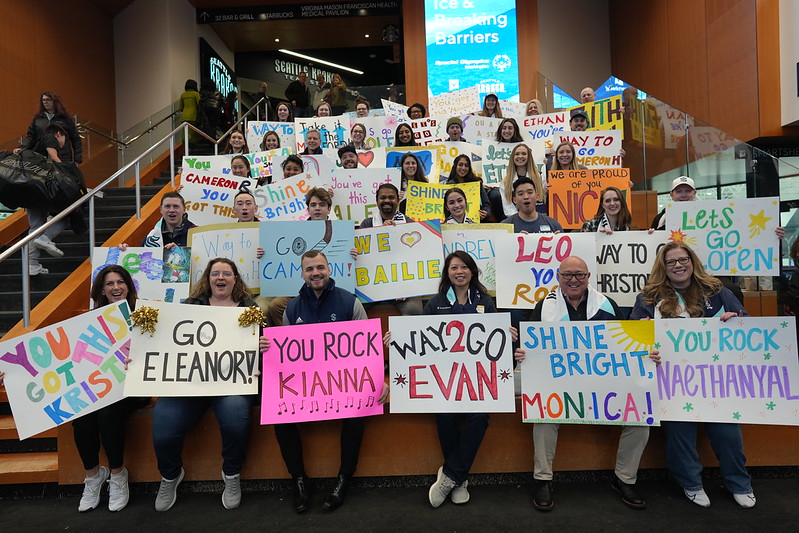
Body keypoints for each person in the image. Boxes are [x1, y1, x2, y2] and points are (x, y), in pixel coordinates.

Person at [516, 256, 657, 511]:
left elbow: (623, 345)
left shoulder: (608, 305)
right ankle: (543, 479)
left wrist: (645, 352)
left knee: (640, 419)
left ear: (589, 277)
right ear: (558, 277)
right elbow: (532, 347)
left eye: (579, 275)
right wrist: (522, 353)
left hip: (604, 386)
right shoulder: (542, 307)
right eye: (567, 274)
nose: (573, 280)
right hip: (559, 387)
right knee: (543, 416)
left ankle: (624, 478)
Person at [0, 266, 145, 511]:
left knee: (108, 413)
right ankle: (92, 476)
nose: (116, 287)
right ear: (101, 289)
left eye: (121, 282)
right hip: (99, 388)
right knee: (83, 414)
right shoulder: (86, 323)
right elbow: (59, 362)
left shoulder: (144, 314)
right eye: (109, 283)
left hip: (133, 386)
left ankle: (118, 475)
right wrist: (14, 376)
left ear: (129, 286)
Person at [630, 242, 757, 509]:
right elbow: (633, 340)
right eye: (671, 261)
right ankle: (691, 483)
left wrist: (737, 319)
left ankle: (739, 483)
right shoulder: (648, 297)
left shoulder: (717, 291)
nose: (678, 265)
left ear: (692, 261)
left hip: (714, 381)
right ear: (662, 267)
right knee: (679, 430)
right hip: (672, 382)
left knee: (728, 433)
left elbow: (746, 324)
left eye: (683, 259)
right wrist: (642, 337)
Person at [151, 258, 266, 511]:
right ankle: (170, 475)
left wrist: (262, 348)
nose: (221, 278)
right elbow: (166, 344)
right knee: (163, 425)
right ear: (208, 278)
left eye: (227, 273)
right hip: (190, 385)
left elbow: (261, 353)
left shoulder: (250, 309)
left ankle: (232, 473)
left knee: (236, 418)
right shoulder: (189, 307)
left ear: (236, 279)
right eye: (216, 273)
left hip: (232, 385)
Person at [270, 250, 378, 512]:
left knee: (357, 410)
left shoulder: (349, 302)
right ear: (303, 273)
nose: (315, 273)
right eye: (309, 269)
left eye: (320, 267)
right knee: (277, 413)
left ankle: (343, 479)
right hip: (307, 385)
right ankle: (299, 480)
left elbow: (366, 349)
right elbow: (287, 354)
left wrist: (376, 381)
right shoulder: (293, 307)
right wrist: (268, 348)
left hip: (342, 382)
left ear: (329, 269)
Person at [420, 251, 517, 507]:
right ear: (447, 273)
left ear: (472, 271)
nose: (459, 272)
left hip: (478, 380)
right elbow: (420, 338)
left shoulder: (485, 300)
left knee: (480, 417)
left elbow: (496, 339)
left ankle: (451, 475)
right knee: (446, 416)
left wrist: (506, 334)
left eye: (464, 267)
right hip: (445, 379)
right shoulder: (436, 302)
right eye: (454, 268)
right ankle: (460, 478)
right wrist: (396, 339)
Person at [26, 123, 76, 275]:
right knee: (68, 215)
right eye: (65, 140)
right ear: (60, 134)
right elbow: (53, 156)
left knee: (35, 226)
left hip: (30, 188)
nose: (64, 145)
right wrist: (67, 175)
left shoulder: (37, 146)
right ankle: (46, 237)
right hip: (43, 187)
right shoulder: (50, 137)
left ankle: (32, 264)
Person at [15, 91, 83, 164]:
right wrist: (22, 147)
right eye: (43, 100)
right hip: (41, 156)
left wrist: (77, 159)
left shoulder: (65, 119)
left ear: (55, 102)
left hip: (62, 156)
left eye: (48, 100)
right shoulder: (38, 119)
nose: (45, 102)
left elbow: (76, 139)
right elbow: (31, 136)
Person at [489, 143, 546, 221]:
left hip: (537, 218)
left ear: (529, 157)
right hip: (515, 220)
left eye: (524, 154)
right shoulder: (505, 182)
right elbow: (508, 208)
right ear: (513, 157)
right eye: (517, 154)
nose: (520, 156)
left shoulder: (540, 177)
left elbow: (543, 199)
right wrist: (522, 220)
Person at [444, 154, 490, 221]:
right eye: (460, 165)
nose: (463, 168)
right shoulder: (449, 185)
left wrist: (486, 213)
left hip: (476, 222)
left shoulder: (477, 183)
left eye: (466, 166)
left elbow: (486, 204)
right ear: (455, 166)